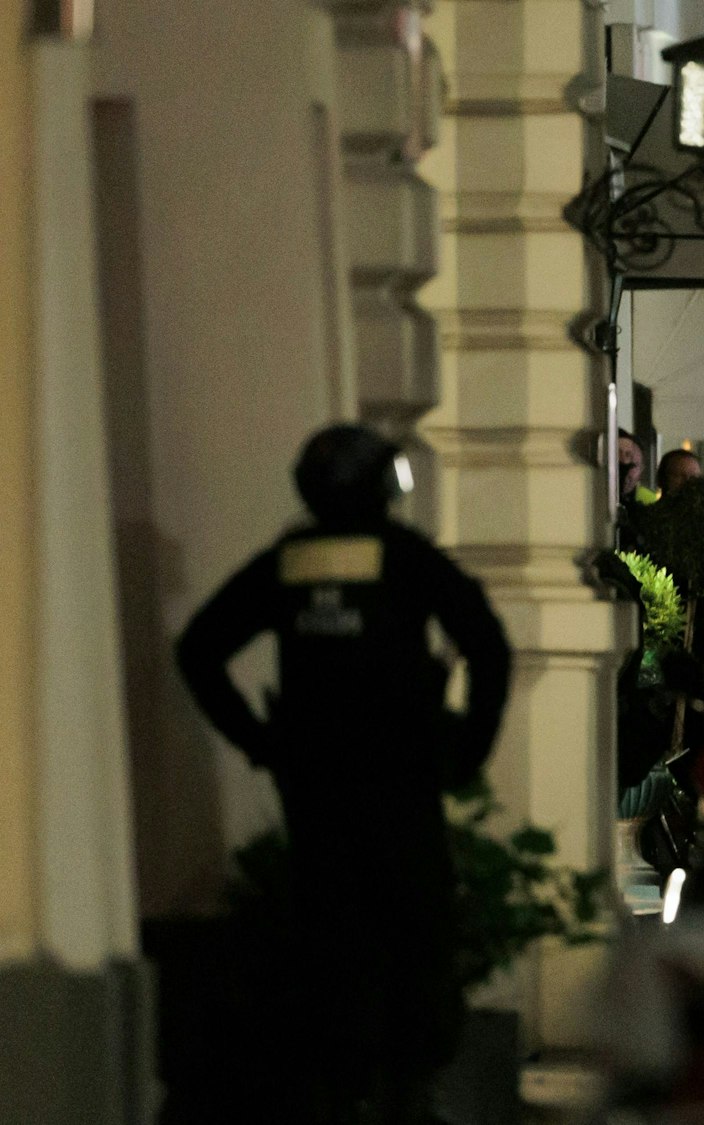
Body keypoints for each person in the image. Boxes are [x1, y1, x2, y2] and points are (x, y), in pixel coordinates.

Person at [176, 424, 512, 1124]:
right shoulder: (405, 558)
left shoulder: (288, 563)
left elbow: (199, 649)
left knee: (332, 936)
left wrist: (260, 741)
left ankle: (344, 1092)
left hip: (315, 784)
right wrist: (469, 746)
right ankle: (408, 1091)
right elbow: (487, 644)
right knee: (416, 929)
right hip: (401, 778)